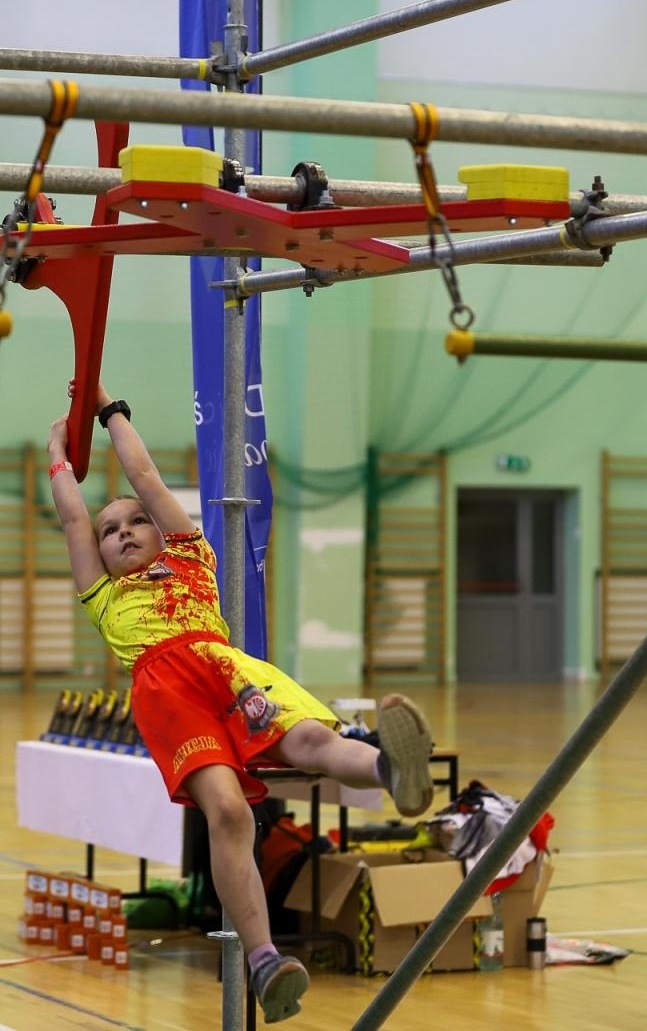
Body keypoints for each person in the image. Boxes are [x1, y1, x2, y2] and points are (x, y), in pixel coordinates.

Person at [47, 383, 434, 1024]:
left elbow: (141, 473)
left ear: (159, 526)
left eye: (134, 520)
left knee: (311, 741)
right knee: (228, 812)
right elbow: (70, 517)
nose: (121, 533)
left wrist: (110, 411)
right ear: (102, 555)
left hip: (229, 673)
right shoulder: (106, 598)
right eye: (108, 531)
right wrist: (60, 453)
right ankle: (264, 960)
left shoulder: (191, 556)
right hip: (170, 696)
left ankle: (393, 772)